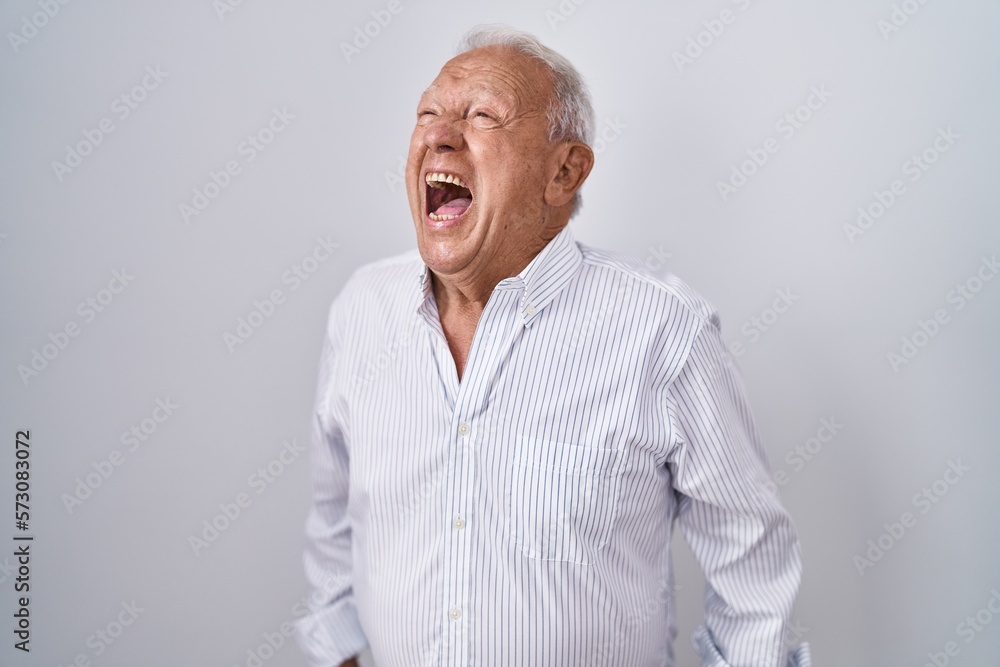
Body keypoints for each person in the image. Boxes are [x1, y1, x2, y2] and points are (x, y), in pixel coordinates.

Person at [295, 23, 811, 667]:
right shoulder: (362, 311)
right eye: (428, 113)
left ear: (564, 171)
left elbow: (752, 568)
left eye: (482, 115)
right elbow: (334, 524)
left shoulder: (663, 332)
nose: (438, 135)